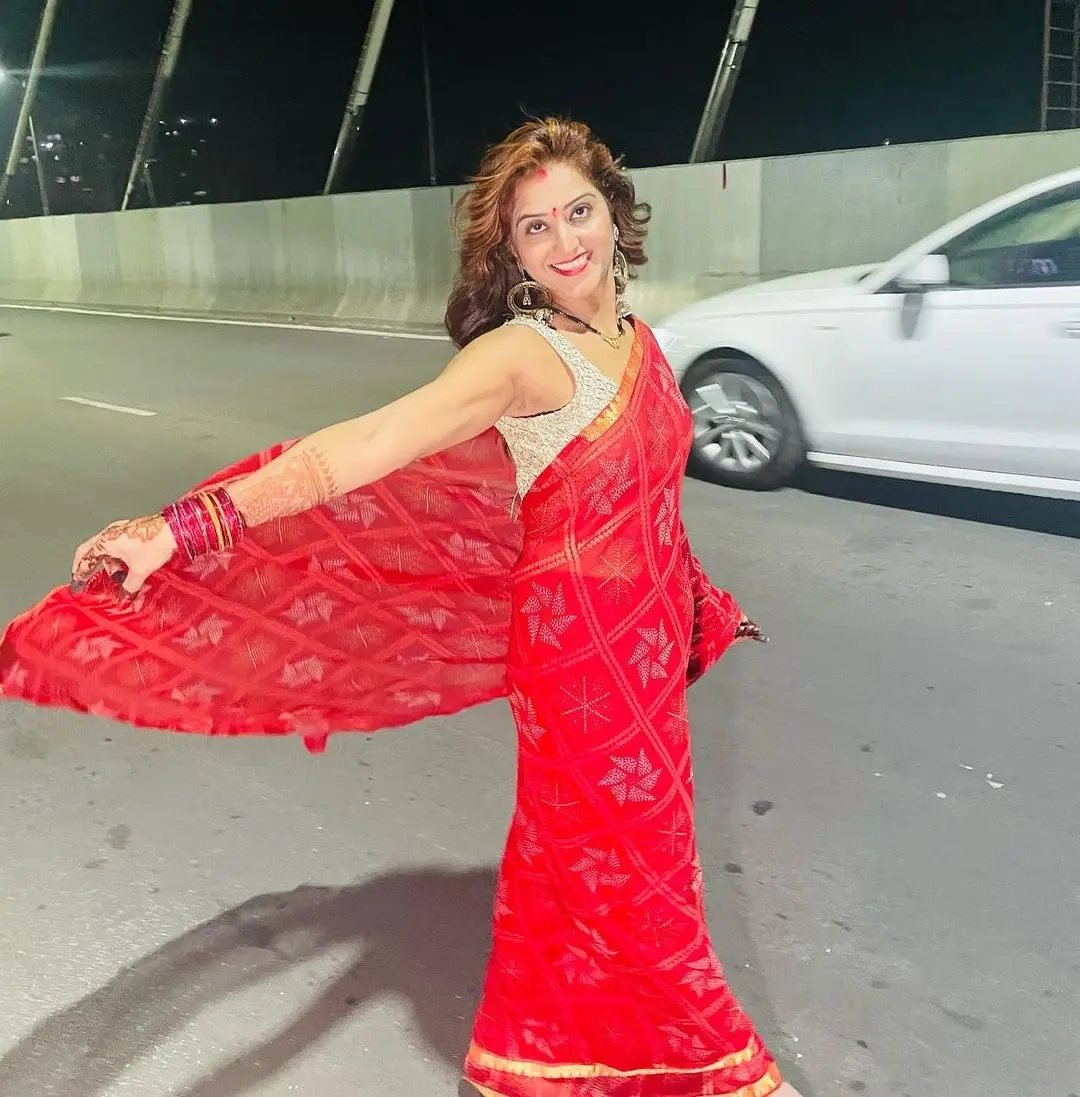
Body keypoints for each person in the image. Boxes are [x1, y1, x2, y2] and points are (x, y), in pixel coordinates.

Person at [0, 118, 798, 1097]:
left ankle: (542, 1057)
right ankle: (718, 1066)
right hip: (577, 663)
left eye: (577, 212)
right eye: (536, 227)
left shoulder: (640, 341)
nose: (564, 241)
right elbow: (366, 445)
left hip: (645, 655)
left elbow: (647, 507)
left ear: (614, 212)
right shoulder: (519, 356)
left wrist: (697, 602)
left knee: (591, 866)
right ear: (511, 252)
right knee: (637, 874)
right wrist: (185, 526)